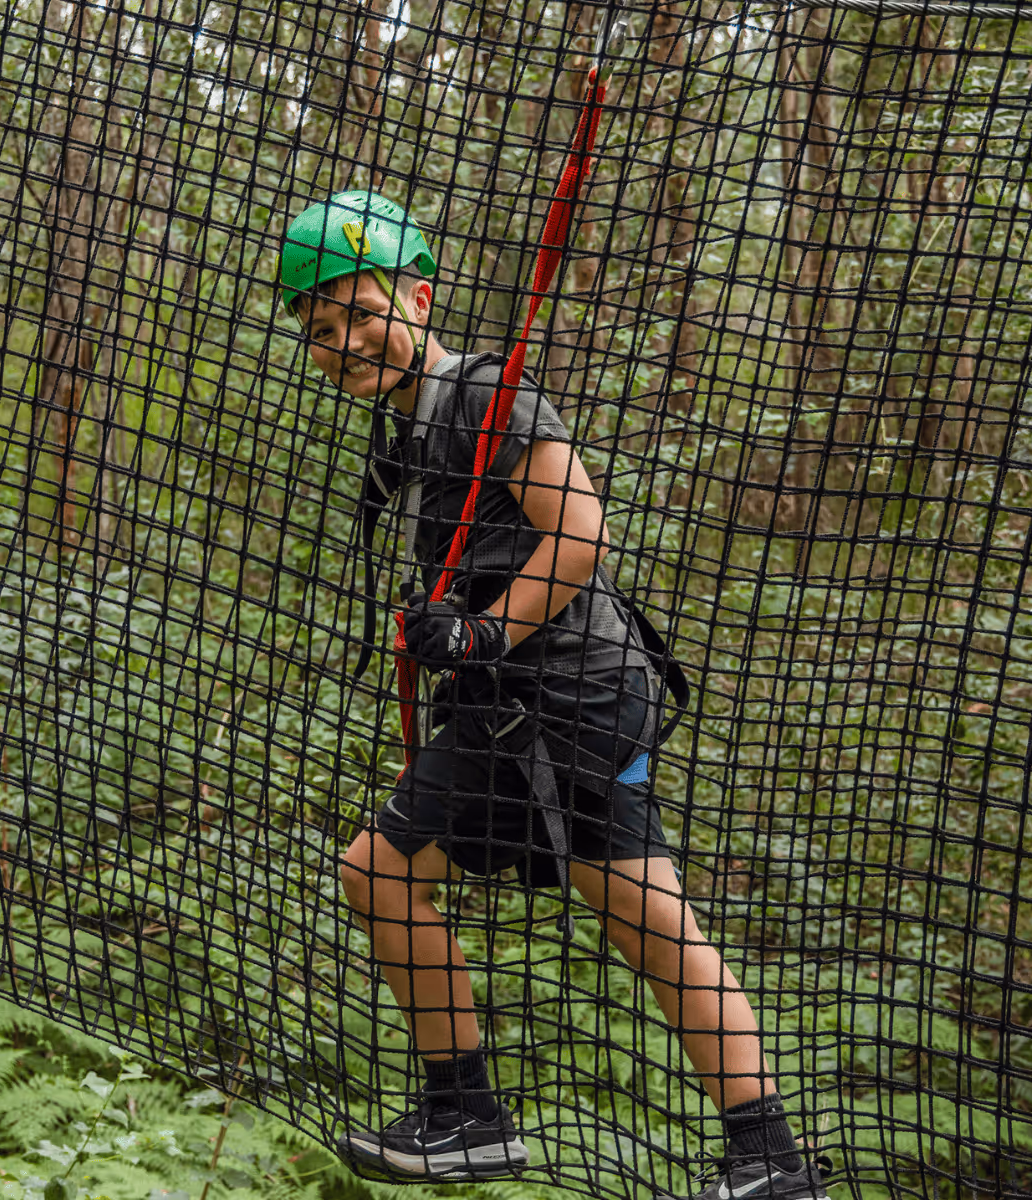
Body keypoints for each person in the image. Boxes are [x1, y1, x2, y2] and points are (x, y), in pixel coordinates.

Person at [276, 190, 829, 1200]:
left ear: (418, 297)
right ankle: (763, 1162)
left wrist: (485, 630)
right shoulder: (407, 428)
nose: (344, 340)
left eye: (361, 311)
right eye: (320, 329)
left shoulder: (488, 399)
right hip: (545, 703)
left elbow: (578, 532)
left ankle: (478, 1118)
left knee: (395, 876)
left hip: (557, 702)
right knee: (631, 916)